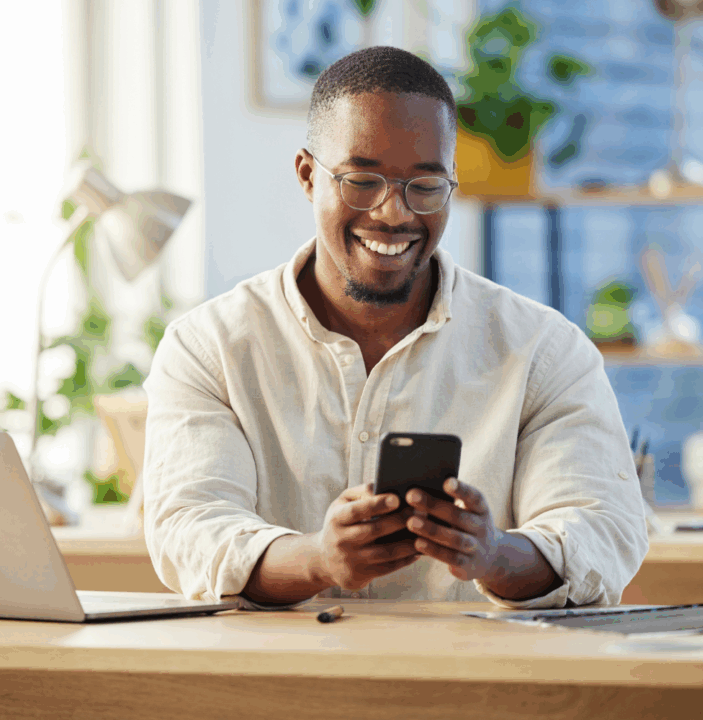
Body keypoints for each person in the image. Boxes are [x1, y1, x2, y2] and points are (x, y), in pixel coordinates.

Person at [142, 46, 648, 610]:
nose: (394, 214)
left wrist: (494, 554)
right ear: (308, 176)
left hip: (477, 688)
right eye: (362, 180)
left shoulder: (544, 351)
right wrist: (318, 558)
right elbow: (188, 527)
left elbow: (604, 530)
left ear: (452, 183)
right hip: (277, 686)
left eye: (425, 187)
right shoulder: (209, 346)